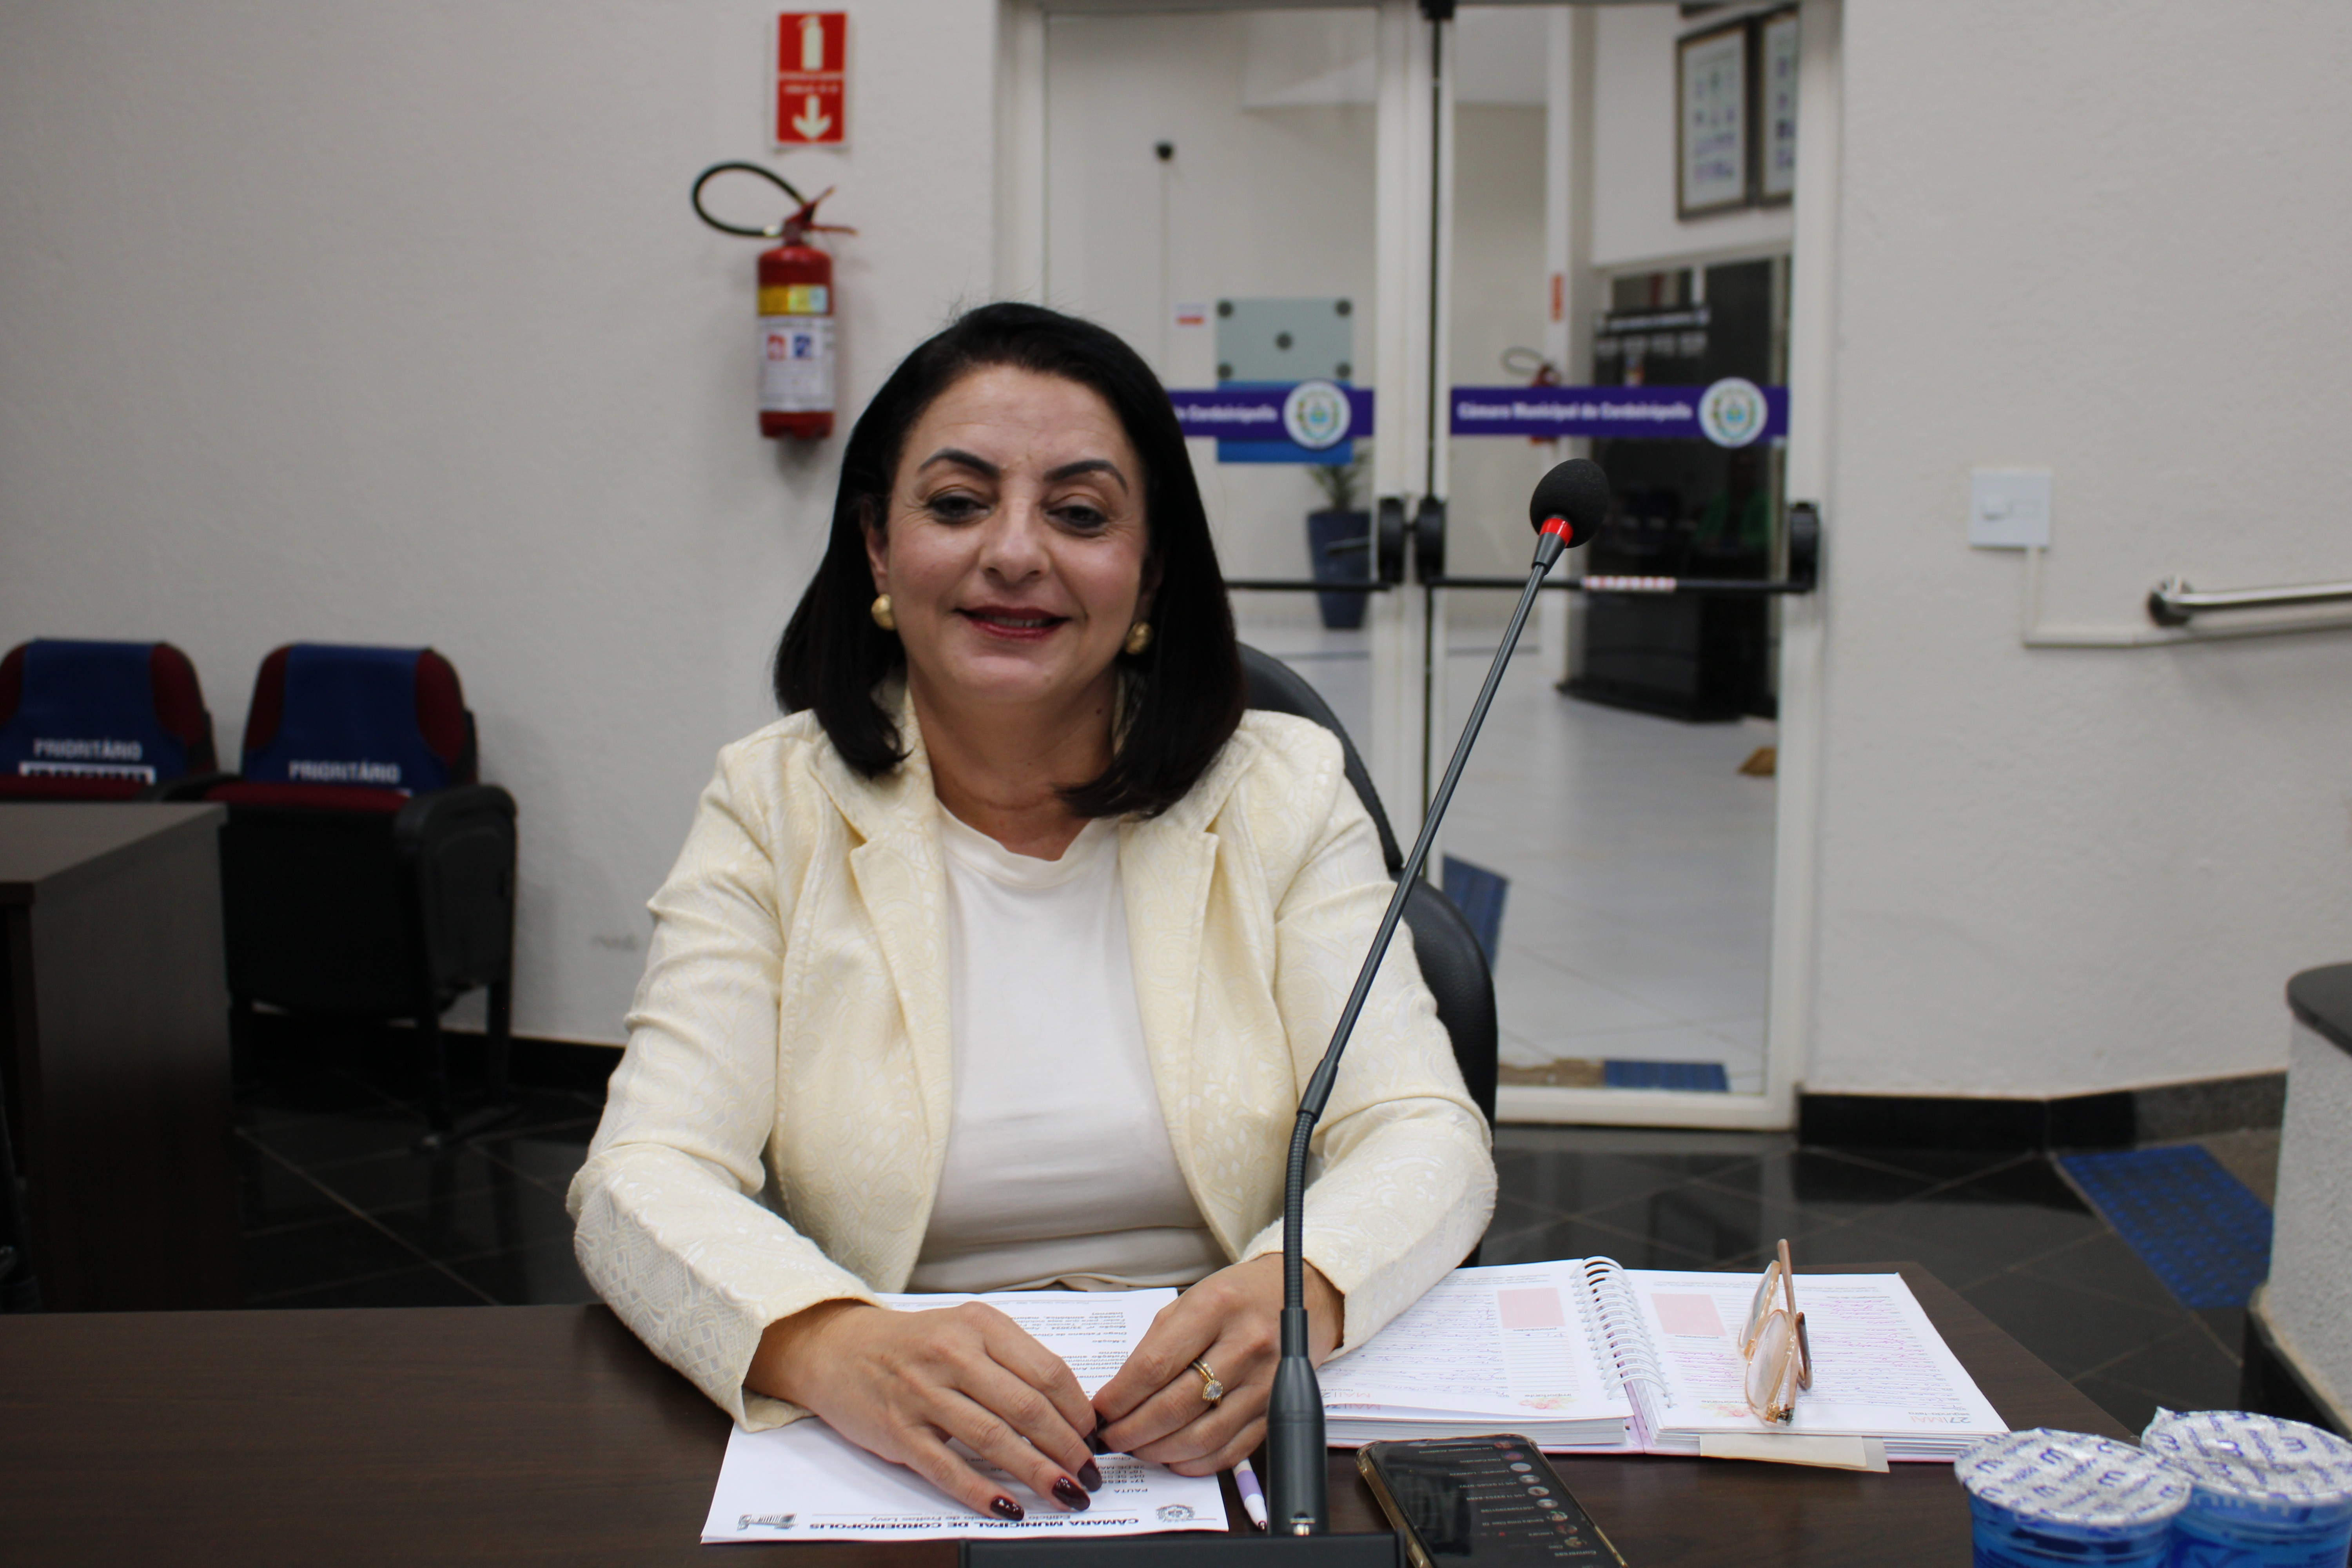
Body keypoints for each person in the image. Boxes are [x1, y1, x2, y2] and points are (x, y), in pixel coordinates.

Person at [569, 302, 1494, 1522]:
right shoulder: (773, 802)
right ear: (878, 550)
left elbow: (1423, 1128)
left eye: (1081, 514)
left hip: (1216, 1436)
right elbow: (642, 1173)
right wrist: (826, 1340)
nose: (1015, 553)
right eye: (958, 504)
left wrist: (1304, 1286)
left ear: (1150, 571)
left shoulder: (1283, 789)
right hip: (899, 1446)